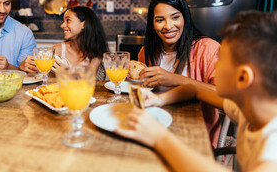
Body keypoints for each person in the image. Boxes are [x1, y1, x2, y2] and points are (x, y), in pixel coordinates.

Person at [116, 10, 277, 171]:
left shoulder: (273, 144)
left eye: (221, 59)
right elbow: (194, 90)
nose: (214, 64)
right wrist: (158, 99)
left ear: (243, 77)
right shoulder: (246, 107)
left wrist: (159, 137)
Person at [136, 0, 220, 147]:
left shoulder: (207, 49)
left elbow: (226, 97)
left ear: (185, 18)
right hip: (155, 127)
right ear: (152, 23)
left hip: (193, 133)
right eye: (160, 20)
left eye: (175, 17)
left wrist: (175, 79)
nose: (168, 26)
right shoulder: (146, 52)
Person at [21, 6, 109, 79]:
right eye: (63, 21)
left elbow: (89, 81)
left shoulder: (95, 55)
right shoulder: (57, 50)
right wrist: (25, 66)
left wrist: (67, 74)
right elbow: (37, 71)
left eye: (68, 20)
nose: (62, 25)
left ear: (84, 24)